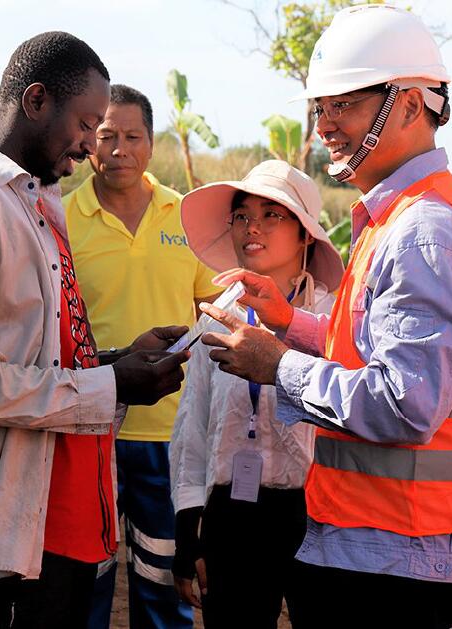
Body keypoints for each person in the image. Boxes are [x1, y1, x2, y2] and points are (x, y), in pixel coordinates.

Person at [196, 7, 452, 629]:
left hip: (404, 564)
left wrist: (279, 365)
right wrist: (291, 322)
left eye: (345, 104)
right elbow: (370, 348)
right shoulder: (400, 217)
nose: (325, 124)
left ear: (412, 105)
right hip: (387, 550)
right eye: (320, 107)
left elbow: (402, 404)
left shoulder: (424, 234)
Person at [0, 32, 190, 629]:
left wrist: (114, 362)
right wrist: (109, 388)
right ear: (35, 102)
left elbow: (34, 354)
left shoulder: (33, 200)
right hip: (5, 528)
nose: (91, 147)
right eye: (87, 125)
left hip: (59, 509)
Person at [63, 84, 217, 629]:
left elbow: (213, 313)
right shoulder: (59, 219)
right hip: (87, 433)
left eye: (132, 136)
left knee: (164, 586)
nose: (118, 149)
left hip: (170, 440)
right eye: (105, 136)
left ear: (152, 144)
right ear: (88, 141)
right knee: (85, 585)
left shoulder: (187, 217)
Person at [168, 161, 344, 628]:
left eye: (272, 215)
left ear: (306, 234)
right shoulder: (218, 318)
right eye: (242, 215)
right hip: (234, 514)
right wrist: (190, 529)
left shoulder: (335, 321)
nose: (252, 228)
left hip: (320, 515)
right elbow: (193, 428)